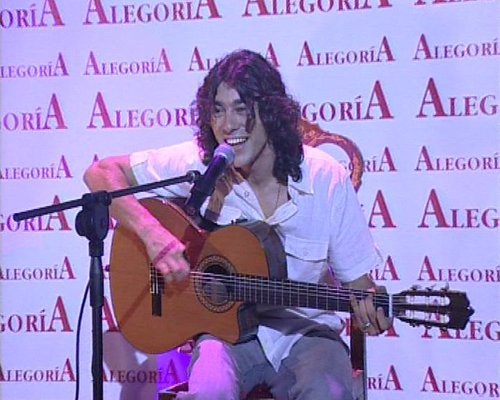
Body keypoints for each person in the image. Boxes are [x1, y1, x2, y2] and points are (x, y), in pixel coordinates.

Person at [84, 49, 392, 400]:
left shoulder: (326, 178)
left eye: (241, 108)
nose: (228, 125)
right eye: (218, 110)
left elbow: (361, 286)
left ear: (271, 113)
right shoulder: (204, 165)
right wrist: (154, 237)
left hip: (307, 332)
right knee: (210, 389)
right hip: (223, 334)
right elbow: (101, 173)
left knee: (328, 392)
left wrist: (373, 311)